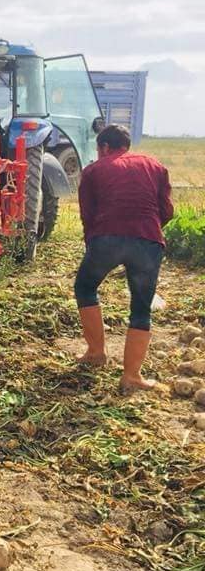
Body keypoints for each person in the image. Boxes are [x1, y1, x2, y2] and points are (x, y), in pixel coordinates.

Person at [74, 124, 173, 392]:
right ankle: (132, 376)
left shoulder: (94, 170)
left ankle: (96, 353)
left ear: (104, 147)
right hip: (147, 240)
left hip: (107, 238)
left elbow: (88, 216)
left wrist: (95, 245)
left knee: (85, 287)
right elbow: (166, 210)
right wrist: (145, 233)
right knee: (141, 308)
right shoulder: (155, 166)